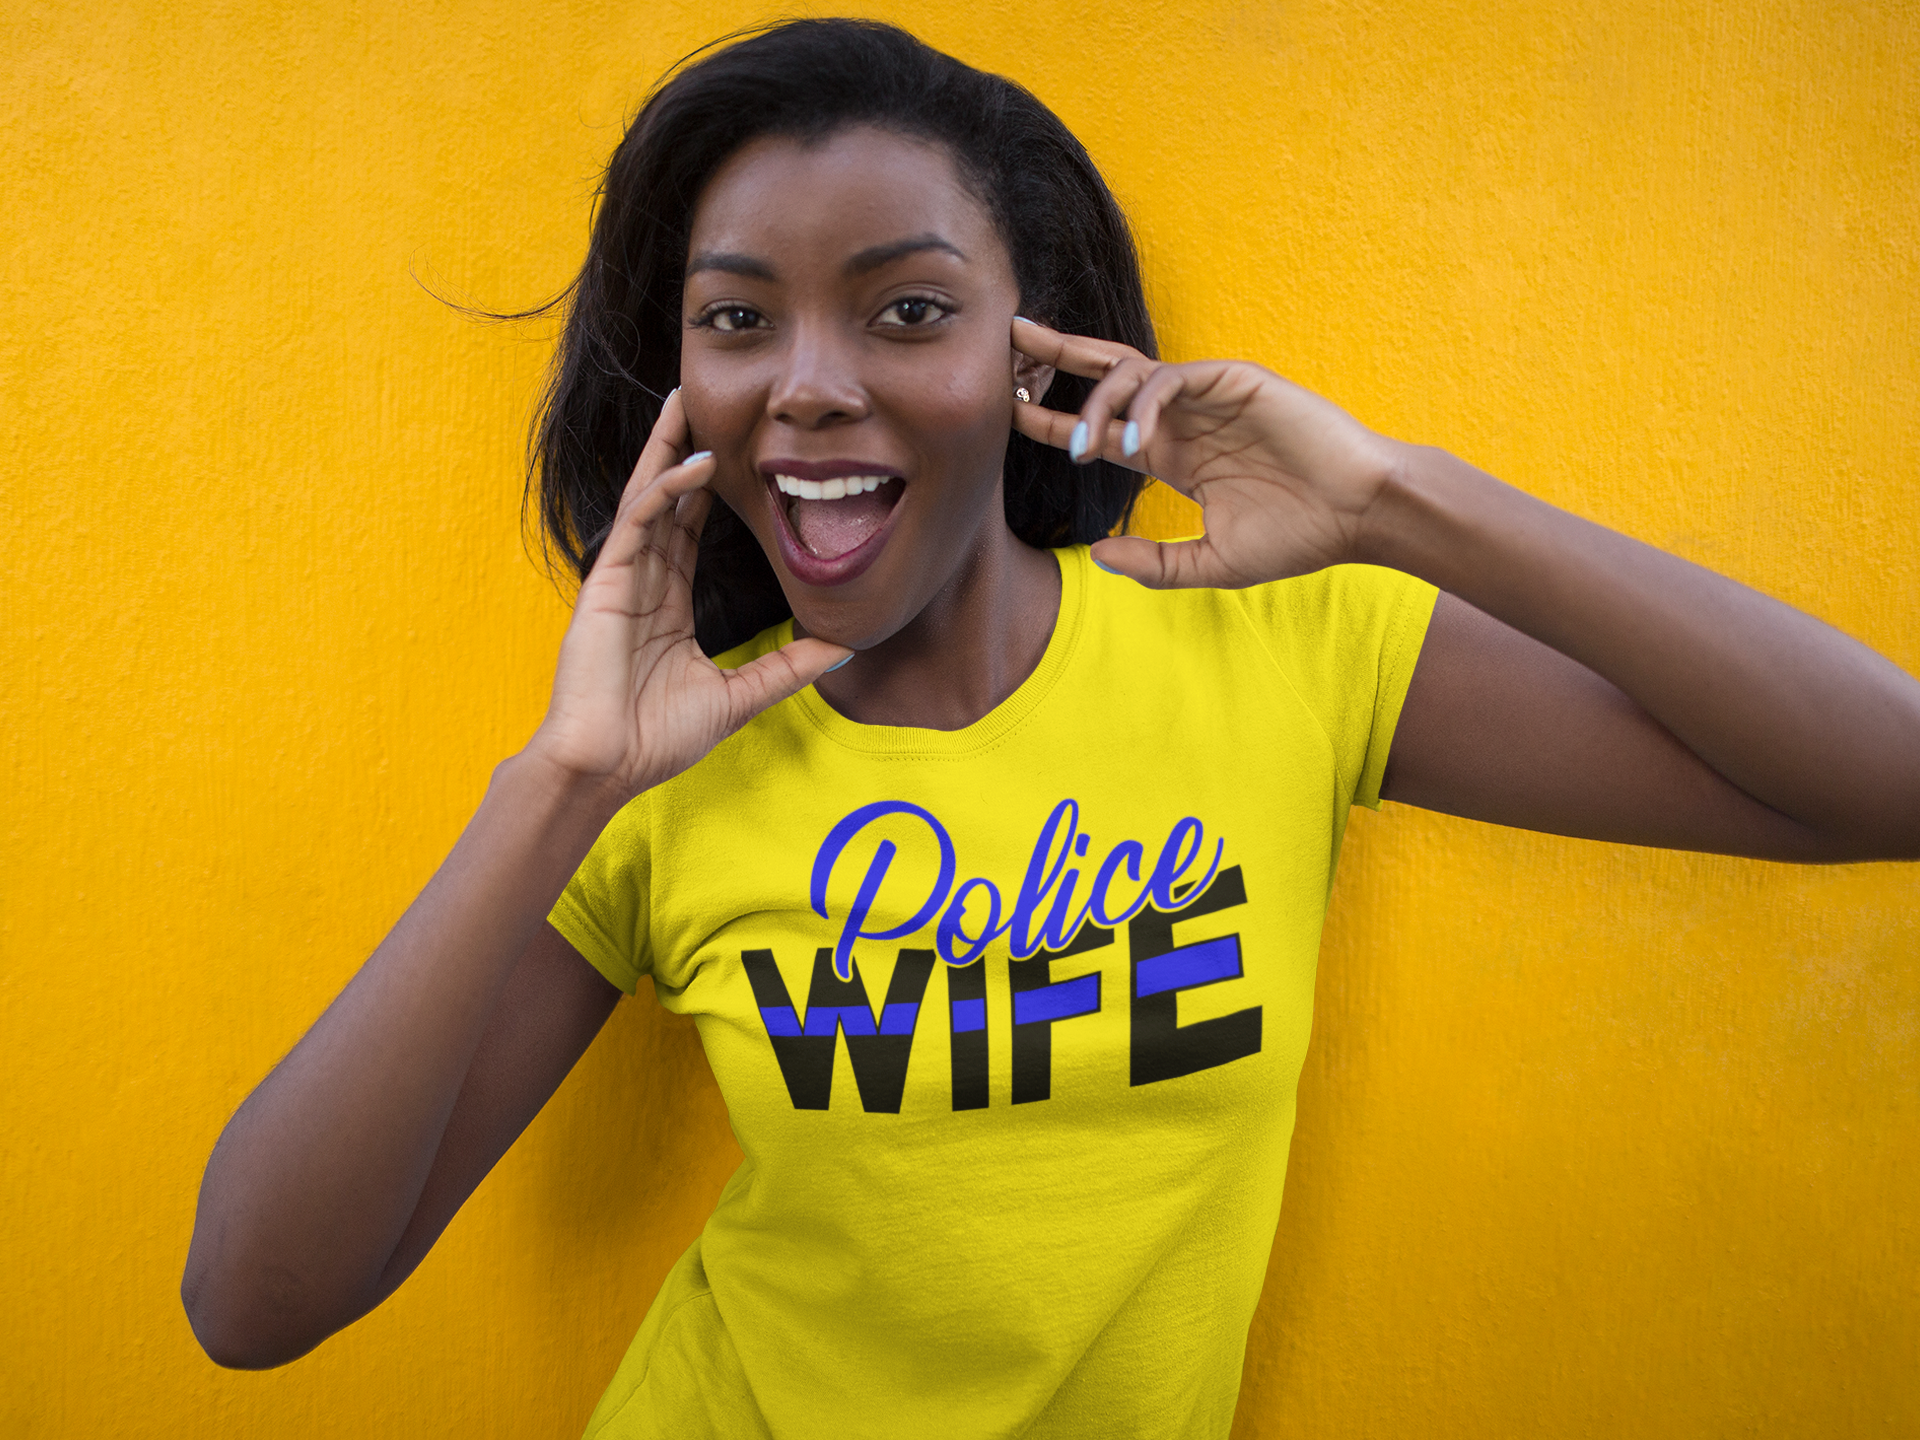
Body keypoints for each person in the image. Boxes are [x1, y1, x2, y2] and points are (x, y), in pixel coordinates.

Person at [180, 17, 1920, 1439]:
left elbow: (1888, 779)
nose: (806, 379)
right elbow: (253, 1302)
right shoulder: (657, 770)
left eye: (907, 307)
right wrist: (560, 784)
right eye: (735, 319)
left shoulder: (1280, 646)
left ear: (1038, 351)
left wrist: (1399, 498)